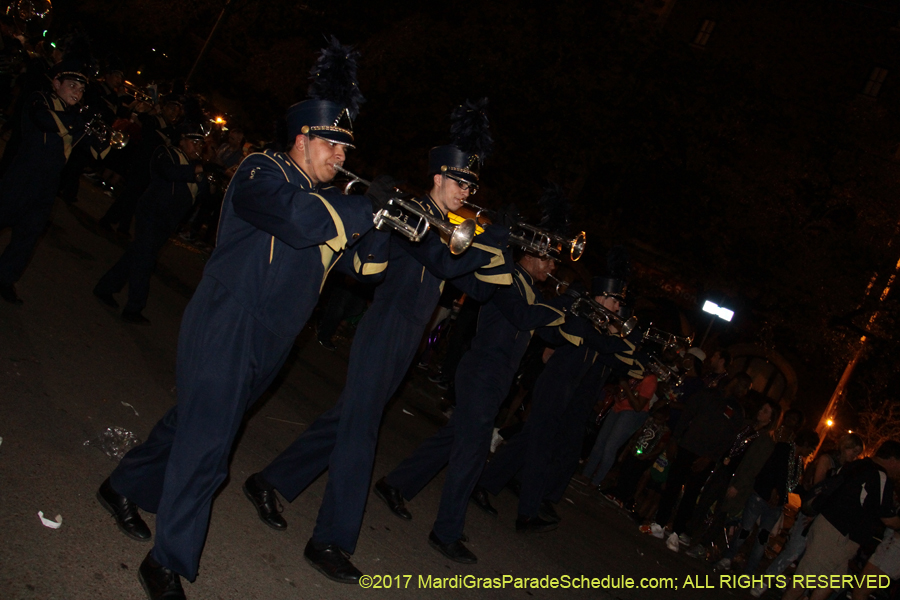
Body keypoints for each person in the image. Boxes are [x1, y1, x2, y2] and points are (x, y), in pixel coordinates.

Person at [94, 38, 389, 600]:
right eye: (333, 144)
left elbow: (367, 269)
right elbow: (298, 221)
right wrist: (362, 207)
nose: (341, 157)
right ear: (302, 138)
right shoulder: (264, 171)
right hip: (228, 320)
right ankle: (168, 562)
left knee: (196, 421)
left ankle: (122, 486)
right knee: (211, 446)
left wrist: (388, 224)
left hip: (274, 338)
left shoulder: (332, 205)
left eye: (346, 150)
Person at [242, 98, 512, 584]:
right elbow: (447, 264)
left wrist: (504, 259)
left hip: (405, 342)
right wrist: (491, 246)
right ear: (437, 178)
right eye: (459, 182)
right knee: (361, 435)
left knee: (345, 421)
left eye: (471, 184)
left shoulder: (449, 227)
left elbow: (469, 284)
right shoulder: (418, 216)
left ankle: (268, 482)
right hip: (383, 332)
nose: (465, 191)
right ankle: (330, 539)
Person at [373, 245, 566, 564]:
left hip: (498, 377)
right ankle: (445, 532)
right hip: (481, 371)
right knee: (473, 453)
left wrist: (580, 320)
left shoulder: (532, 290)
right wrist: (562, 307)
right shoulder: (507, 279)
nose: (552, 266)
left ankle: (395, 484)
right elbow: (522, 316)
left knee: (453, 439)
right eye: (547, 258)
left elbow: (553, 336)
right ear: (528, 256)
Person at [471, 266, 639, 531]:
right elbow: (597, 344)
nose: (617, 307)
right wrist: (628, 343)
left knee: (528, 442)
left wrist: (632, 348)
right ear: (602, 297)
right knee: (541, 449)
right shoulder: (581, 316)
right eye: (615, 300)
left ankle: (483, 483)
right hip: (555, 385)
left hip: (566, 390)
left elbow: (615, 357)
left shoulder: (596, 322)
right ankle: (527, 514)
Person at [0, 57, 109, 304]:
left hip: (48, 184)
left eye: (81, 90)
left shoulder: (75, 116)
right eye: (72, 86)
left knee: (29, 235)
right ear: (57, 82)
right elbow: (44, 120)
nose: (78, 93)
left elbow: (98, 152)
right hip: (22, 176)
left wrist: (104, 132)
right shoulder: (40, 98)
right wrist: (79, 120)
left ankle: (5, 278)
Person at [93, 122, 210, 324]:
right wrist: (198, 169)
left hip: (169, 219)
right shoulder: (166, 153)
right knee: (145, 260)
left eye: (201, 145)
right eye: (194, 142)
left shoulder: (195, 167)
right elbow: (168, 173)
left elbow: (205, 195)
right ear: (181, 140)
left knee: (137, 254)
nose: (198, 148)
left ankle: (105, 288)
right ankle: (134, 307)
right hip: (152, 213)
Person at [748, 433, 864, 597]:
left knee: (808, 557)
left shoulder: (848, 470)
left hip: (825, 518)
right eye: (854, 451)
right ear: (845, 447)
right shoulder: (828, 460)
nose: (855, 456)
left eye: (857, 453)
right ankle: (766, 581)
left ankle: (792, 587)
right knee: (794, 550)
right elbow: (819, 488)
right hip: (812, 512)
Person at [782, 440, 900, 600]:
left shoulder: (857, 465)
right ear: (893, 460)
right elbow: (888, 519)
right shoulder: (879, 476)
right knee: (803, 581)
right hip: (838, 536)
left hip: (829, 528)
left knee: (830, 583)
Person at [651, 373, 751, 541]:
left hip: (706, 457)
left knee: (691, 494)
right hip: (687, 447)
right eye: (743, 385)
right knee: (673, 485)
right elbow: (686, 416)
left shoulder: (737, 411)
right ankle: (660, 522)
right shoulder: (707, 395)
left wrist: (710, 458)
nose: (744, 391)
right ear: (734, 382)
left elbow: (729, 440)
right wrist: (675, 440)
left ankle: (676, 531)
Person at [714, 429, 819, 573]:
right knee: (745, 530)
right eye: (811, 448)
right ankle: (727, 558)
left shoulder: (799, 463)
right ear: (805, 444)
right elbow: (770, 470)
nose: (811, 452)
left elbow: (790, 484)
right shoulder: (783, 449)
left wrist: (805, 491)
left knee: (762, 539)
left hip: (777, 505)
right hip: (761, 496)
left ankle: (749, 571)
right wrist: (773, 490)